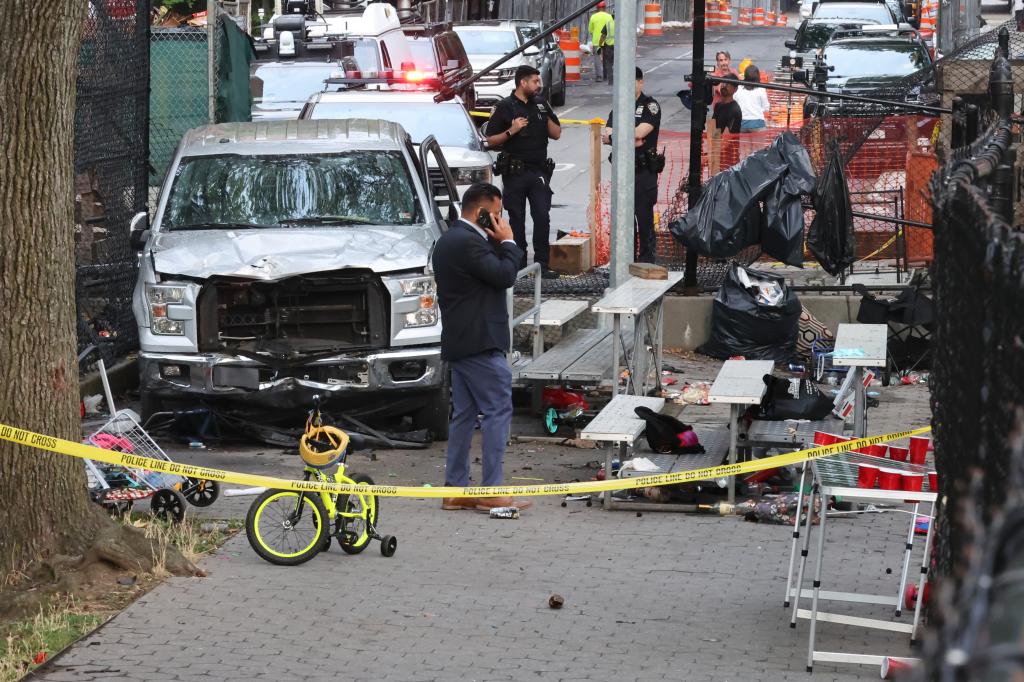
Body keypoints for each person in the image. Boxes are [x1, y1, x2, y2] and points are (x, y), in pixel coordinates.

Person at [431, 183, 532, 512]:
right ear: (483, 213)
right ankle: (491, 488)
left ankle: (456, 488)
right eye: (498, 214)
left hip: (463, 341)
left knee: (463, 415)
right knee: (497, 410)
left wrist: (496, 241)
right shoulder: (466, 243)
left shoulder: (456, 239)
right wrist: (509, 241)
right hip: (479, 342)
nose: (501, 220)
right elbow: (504, 275)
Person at [485, 65, 562, 278]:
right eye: (535, 81)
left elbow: (557, 134)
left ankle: (542, 264)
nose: (539, 85)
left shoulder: (541, 104)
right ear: (523, 83)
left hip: (538, 172)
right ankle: (518, 264)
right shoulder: (505, 106)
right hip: (515, 173)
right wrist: (512, 130)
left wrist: (544, 114)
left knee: (541, 216)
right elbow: (491, 140)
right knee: (517, 218)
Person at [601, 67, 662, 264]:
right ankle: (625, 260)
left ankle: (646, 260)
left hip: (643, 172)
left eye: (633, 82)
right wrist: (623, 137)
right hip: (623, 171)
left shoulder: (650, 106)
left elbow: (639, 134)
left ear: (640, 82)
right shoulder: (619, 106)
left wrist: (617, 136)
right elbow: (606, 135)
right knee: (623, 218)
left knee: (643, 218)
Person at [733, 64, 770, 132]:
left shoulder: (739, 89)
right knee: (758, 143)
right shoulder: (761, 89)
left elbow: (734, 103)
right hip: (758, 124)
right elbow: (766, 108)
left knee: (743, 143)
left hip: (742, 124)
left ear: (745, 76)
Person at [588, 1, 614, 82]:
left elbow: (590, 30)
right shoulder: (609, 16)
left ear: (597, 8)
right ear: (605, 8)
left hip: (597, 41)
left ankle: (599, 76)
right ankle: (606, 75)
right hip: (607, 40)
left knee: (597, 57)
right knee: (607, 57)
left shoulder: (593, 17)